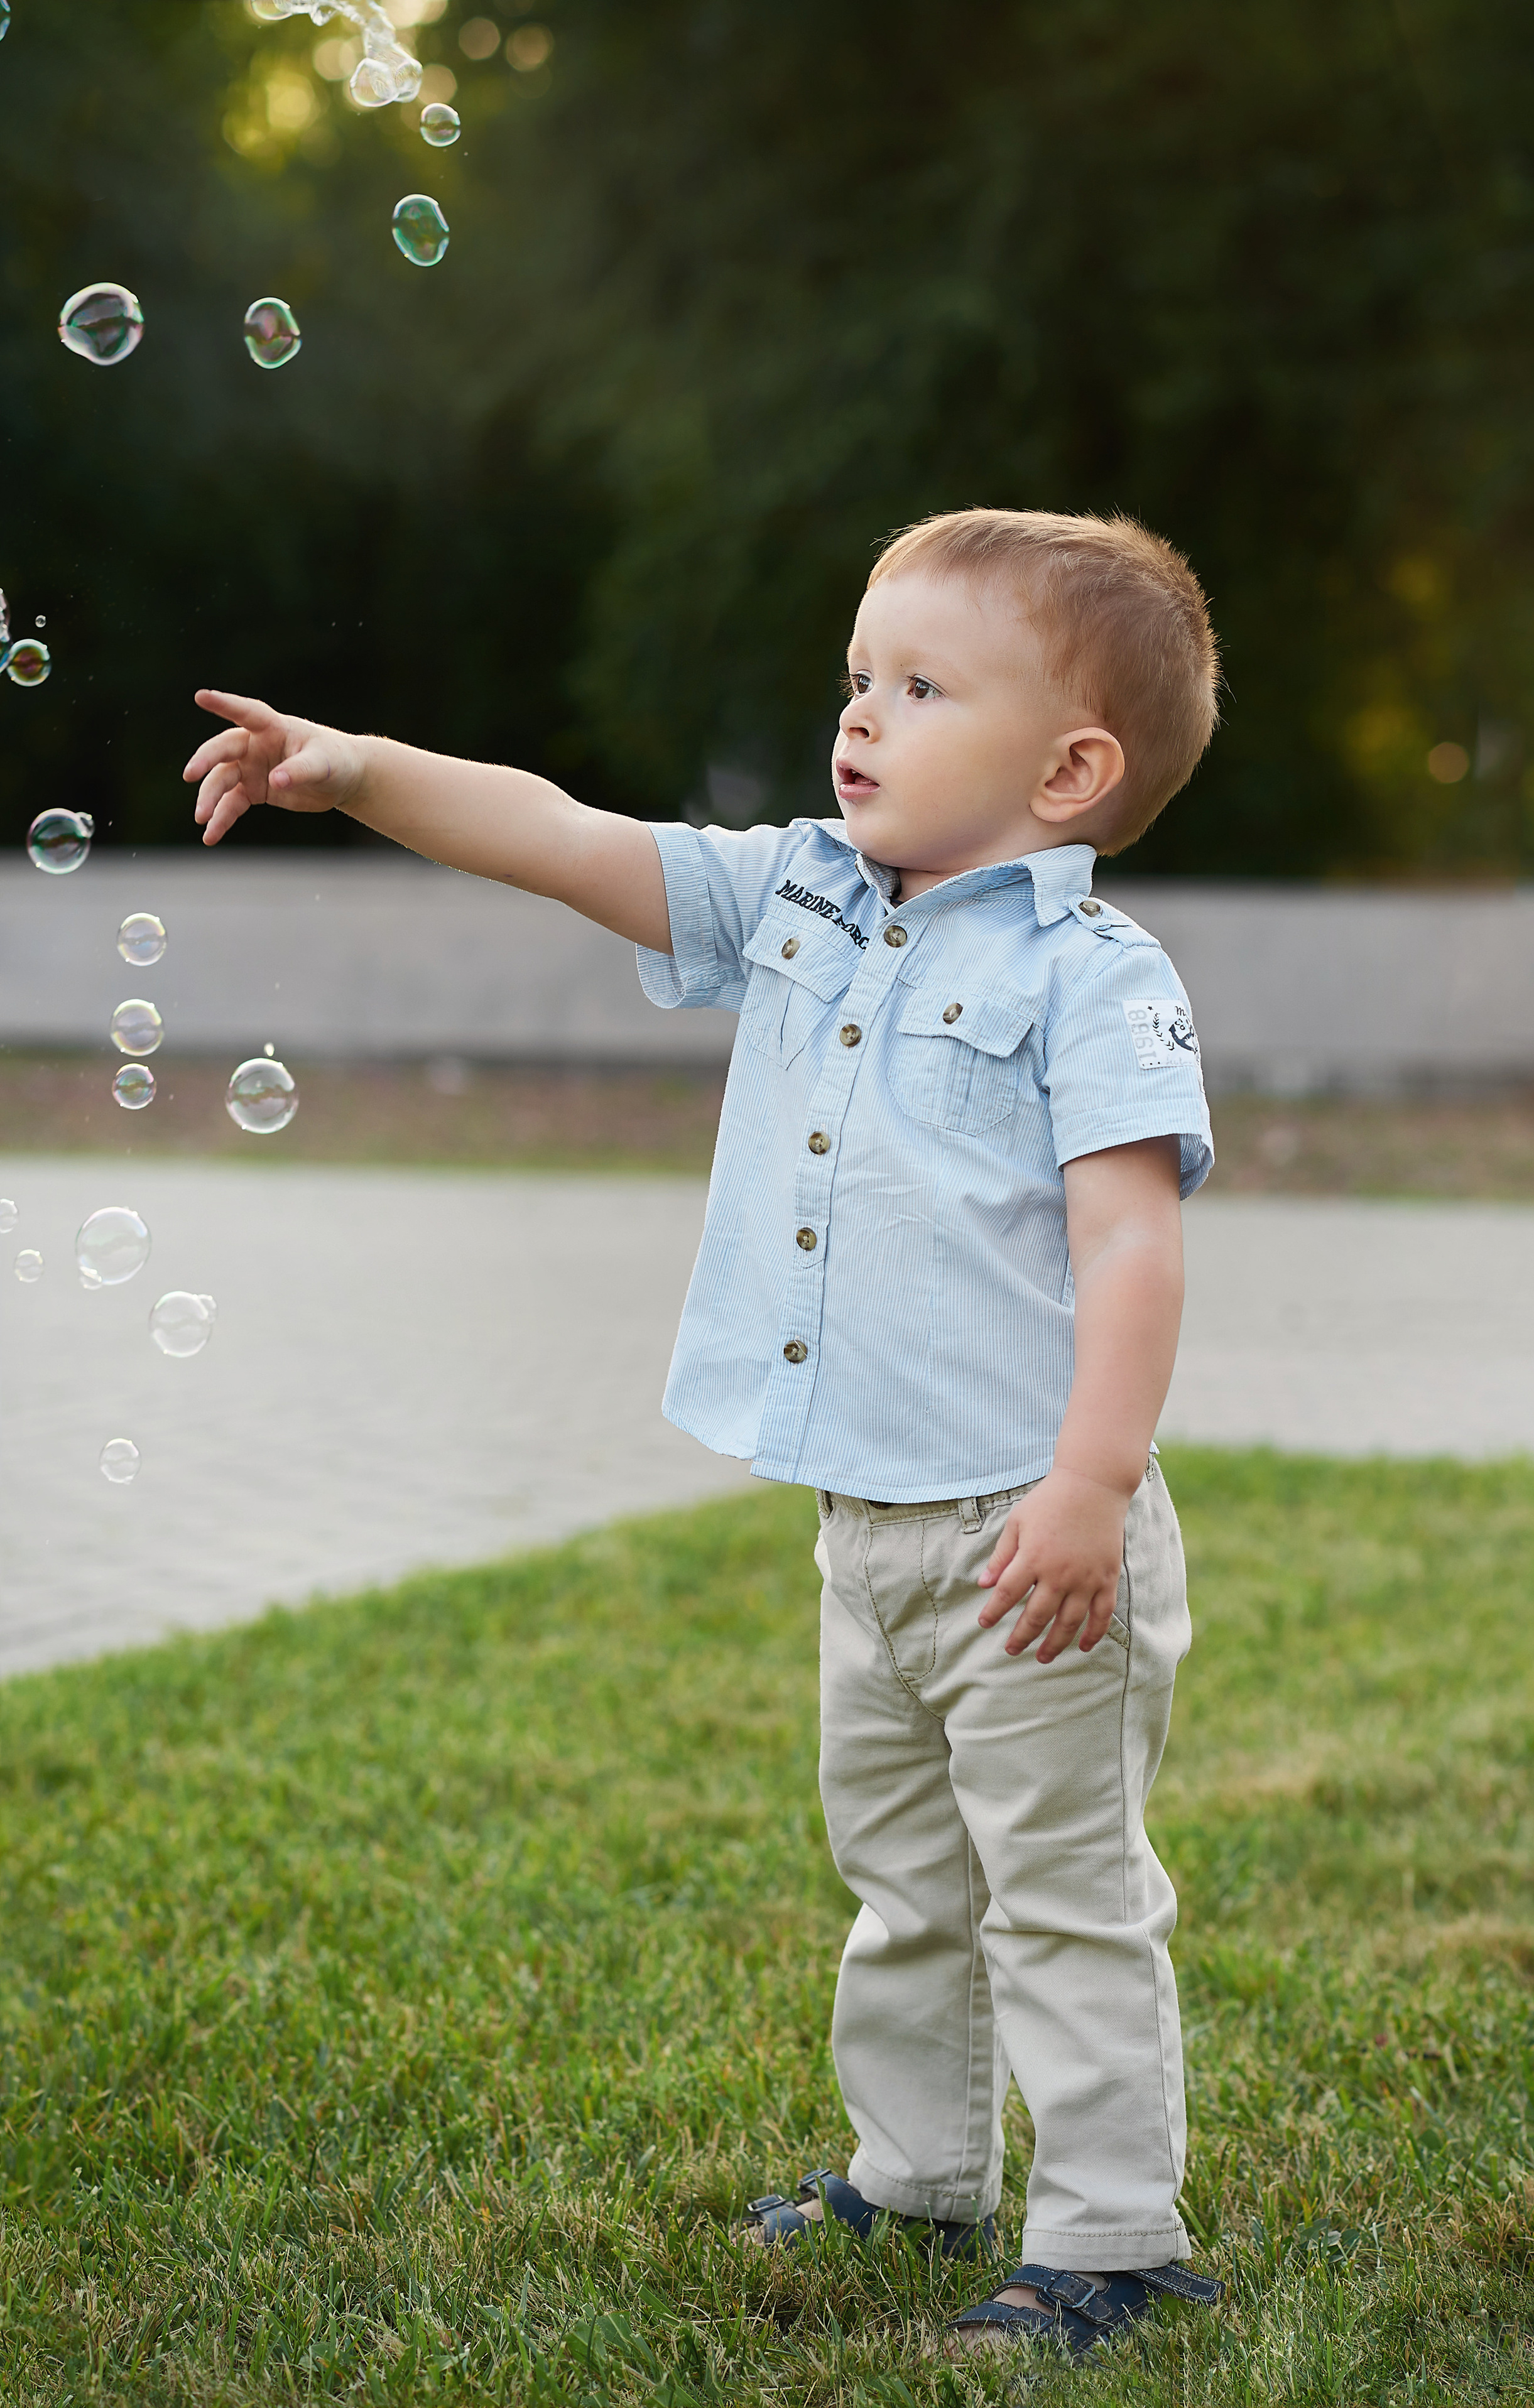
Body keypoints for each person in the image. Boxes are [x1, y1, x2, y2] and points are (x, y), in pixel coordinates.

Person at [184, 506, 1224, 2358]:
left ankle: (1112, 2234)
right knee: (902, 1876)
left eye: (920, 686)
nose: (862, 715)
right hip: (868, 1530)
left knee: (1059, 1890)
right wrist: (357, 772)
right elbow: (571, 836)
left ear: (1072, 768)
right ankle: (914, 2170)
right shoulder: (803, 892)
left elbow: (1132, 1236)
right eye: (857, 677)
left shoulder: (1099, 979)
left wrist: (1093, 1481)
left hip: (1028, 1532)